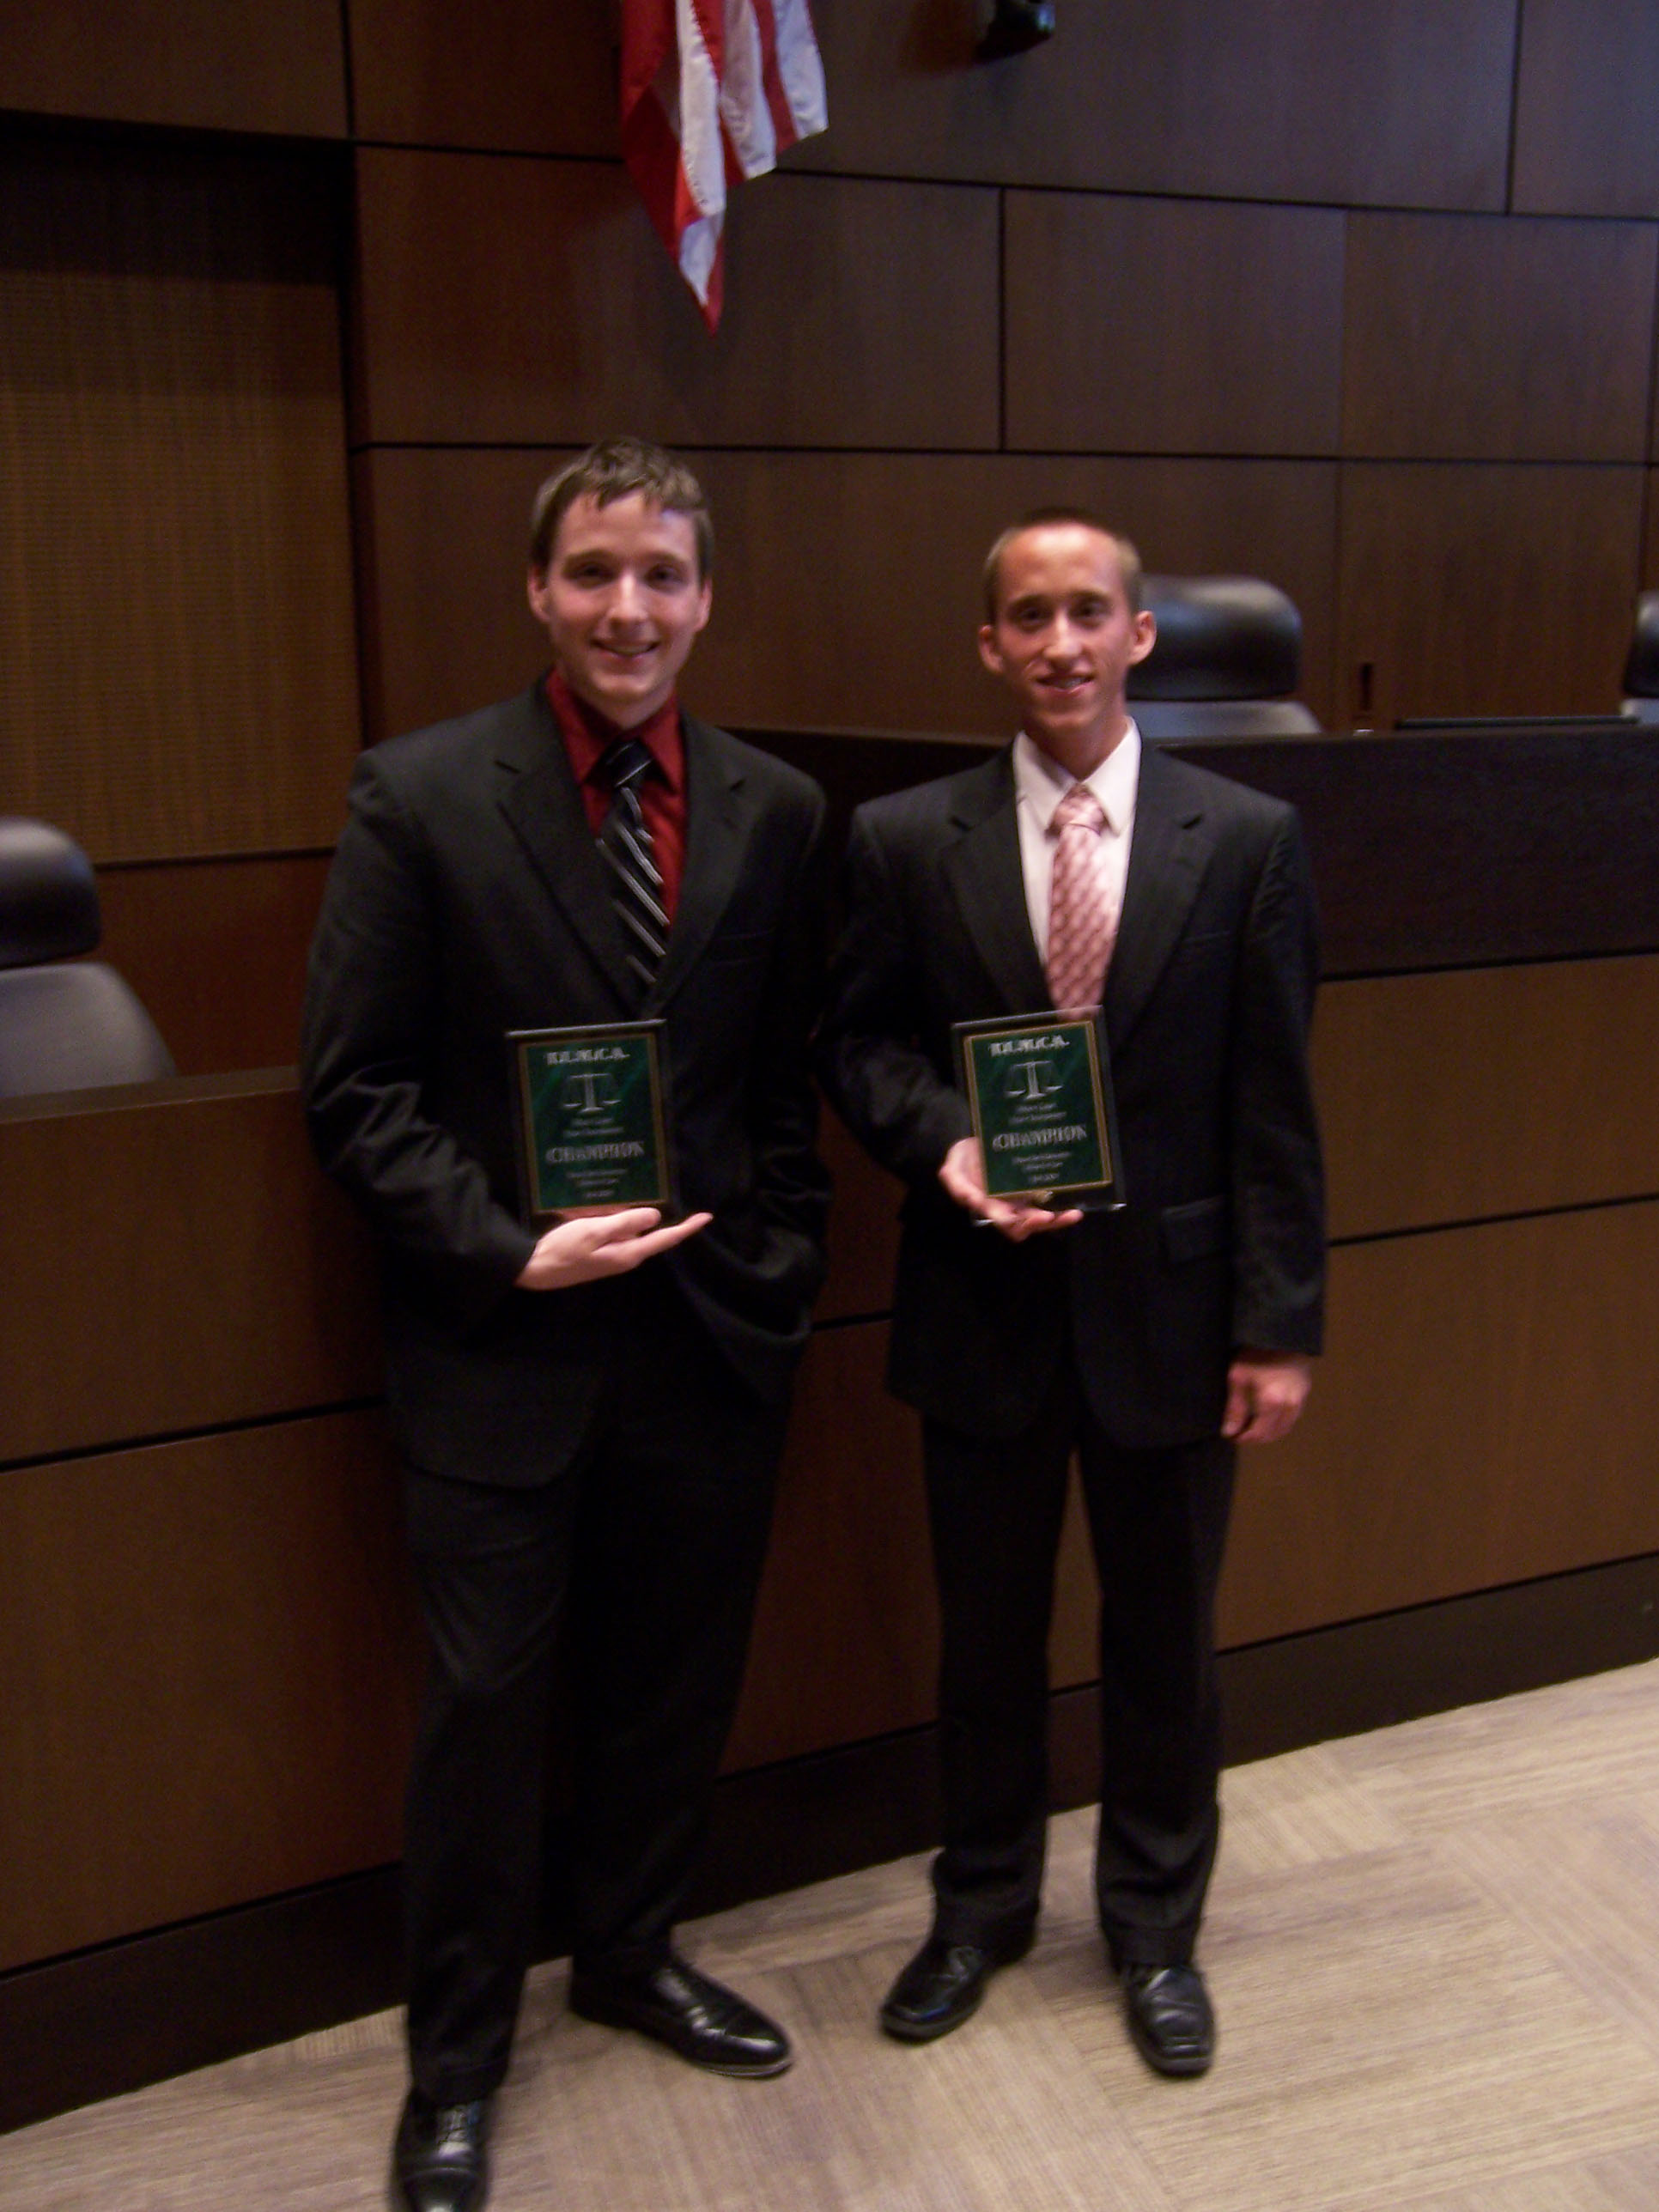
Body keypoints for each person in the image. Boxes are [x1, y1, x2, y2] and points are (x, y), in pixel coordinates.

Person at [302, 437, 830, 2212]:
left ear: (705, 596)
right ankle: (454, 2064)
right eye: (596, 572)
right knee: (485, 1707)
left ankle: (629, 1952)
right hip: (502, 1343)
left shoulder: (776, 809)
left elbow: (776, 1078)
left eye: (663, 576)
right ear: (540, 588)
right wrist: (507, 1249)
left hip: (706, 1339)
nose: (630, 607)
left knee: (670, 1684)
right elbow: (357, 1091)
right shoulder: (421, 794)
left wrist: (779, 1265)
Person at [816, 510, 1323, 2078]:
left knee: (1166, 1641)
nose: (1059, 644)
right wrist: (949, 1147)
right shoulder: (906, 840)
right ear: (988, 644)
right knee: (986, 1638)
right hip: (983, 1307)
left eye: (1087, 612)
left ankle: (1157, 1933)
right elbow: (858, 1050)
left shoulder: (1242, 838)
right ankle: (978, 1911)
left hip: (1174, 1321)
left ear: (1139, 634)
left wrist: (1278, 1323)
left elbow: (1274, 1105)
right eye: (1027, 617)